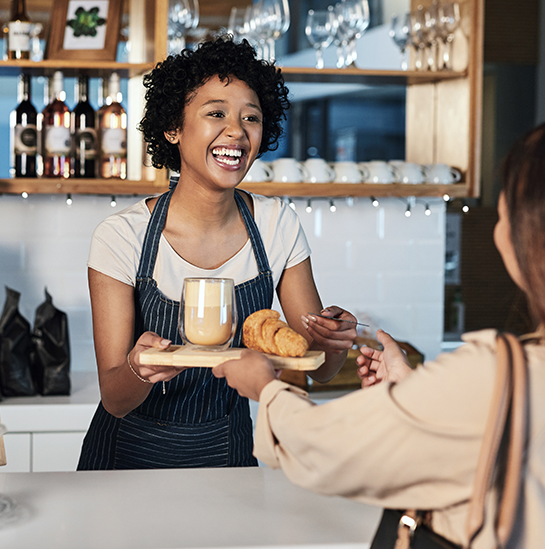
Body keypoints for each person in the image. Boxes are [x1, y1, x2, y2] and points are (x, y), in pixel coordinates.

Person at [213, 116, 545, 549]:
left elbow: (327, 448)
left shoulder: (498, 375)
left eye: (506, 213)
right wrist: (410, 388)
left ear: (539, 242)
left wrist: (265, 388)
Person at [77, 37, 358, 470]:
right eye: (216, 114)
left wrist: (334, 341)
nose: (237, 131)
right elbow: (115, 398)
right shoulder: (122, 237)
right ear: (173, 127)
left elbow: (315, 367)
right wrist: (139, 368)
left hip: (228, 457)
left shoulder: (276, 225)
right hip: (126, 463)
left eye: (251, 117)